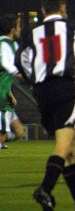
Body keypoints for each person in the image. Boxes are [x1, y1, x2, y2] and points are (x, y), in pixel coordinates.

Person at [15, 0, 75, 211]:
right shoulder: (70, 28)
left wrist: (34, 79)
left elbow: (22, 60)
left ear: (43, 10)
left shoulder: (32, 32)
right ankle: (45, 189)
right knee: (63, 146)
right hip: (63, 87)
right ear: (63, 8)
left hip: (42, 92)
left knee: (69, 151)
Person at [0, 14, 25, 149]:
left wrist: (10, 94)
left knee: (20, 132)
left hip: (4, 95)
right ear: (12, 29)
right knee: (2, 133)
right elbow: (9, 67)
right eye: (18, 26)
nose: (20, 29)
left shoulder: (7, 44)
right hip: (1, 99)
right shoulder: (6, 44)